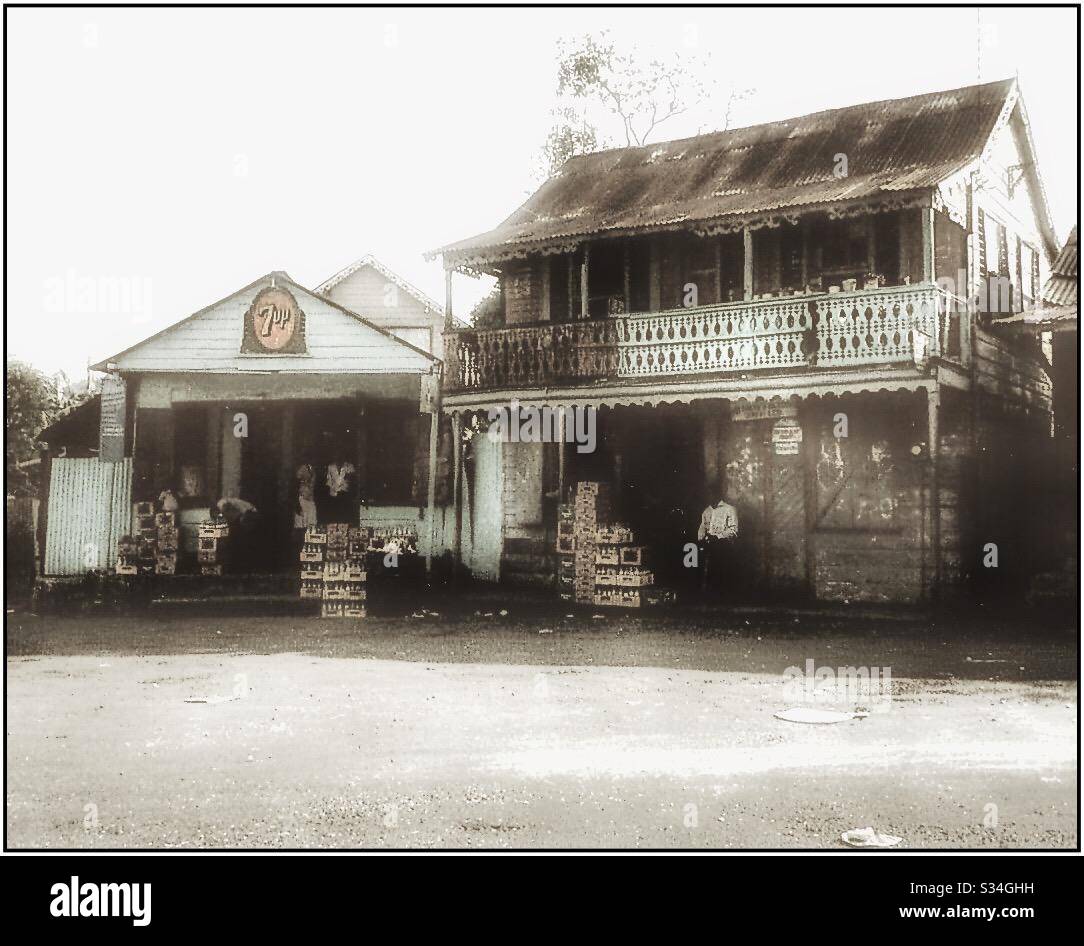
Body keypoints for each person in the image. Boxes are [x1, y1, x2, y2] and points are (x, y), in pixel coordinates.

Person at [697, 495, 740, 596]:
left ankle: (723, 597)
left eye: (713, 492)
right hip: (709, 549)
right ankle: (707, 597)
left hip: (724, 549)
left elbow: (734, 531)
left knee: (722, 576)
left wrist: (718, 537)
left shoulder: (729, 509)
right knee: (708, 575)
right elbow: (702, 528)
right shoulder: (706, 511)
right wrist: (702, 537)